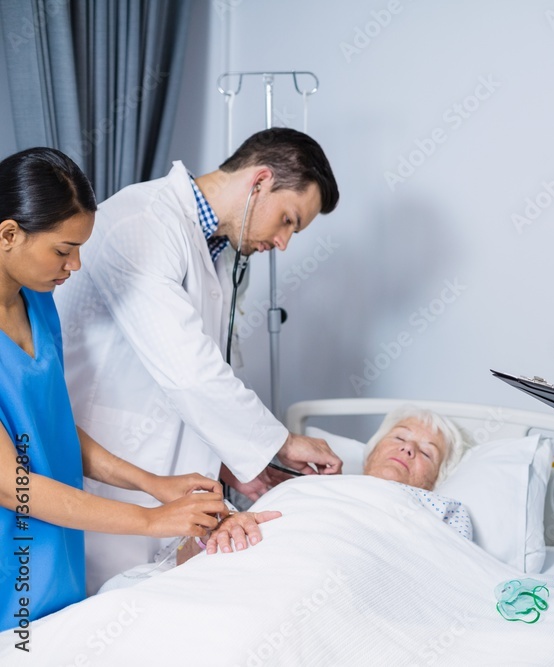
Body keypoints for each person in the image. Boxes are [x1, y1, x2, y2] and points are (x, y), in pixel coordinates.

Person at [53, 128, 345, 593]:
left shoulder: (214, 252)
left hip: (162, 479)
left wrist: (233, 461)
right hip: (110, 470)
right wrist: (281, 442)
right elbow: (188, 371)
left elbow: (193, 379)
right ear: (260, 181)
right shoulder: (142, 223)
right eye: (289, 220)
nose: (285, 243)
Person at [0, 147, 229, 631]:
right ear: (8, 234)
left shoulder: (40, 307)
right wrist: (151, 520)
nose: (76, 266)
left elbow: (53, 426)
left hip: (54, 546)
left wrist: (152, 485)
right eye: (64, 250)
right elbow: (11, 485)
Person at [104, 406, 471, 586]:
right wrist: (213, 533)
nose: (408, 450)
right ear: (371, 451)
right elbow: (193, 552)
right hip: (242, 579)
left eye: (426, 453)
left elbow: (446, 577)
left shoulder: (442, 510)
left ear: (438, 478)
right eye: (400, 437)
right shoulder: (304, 487)